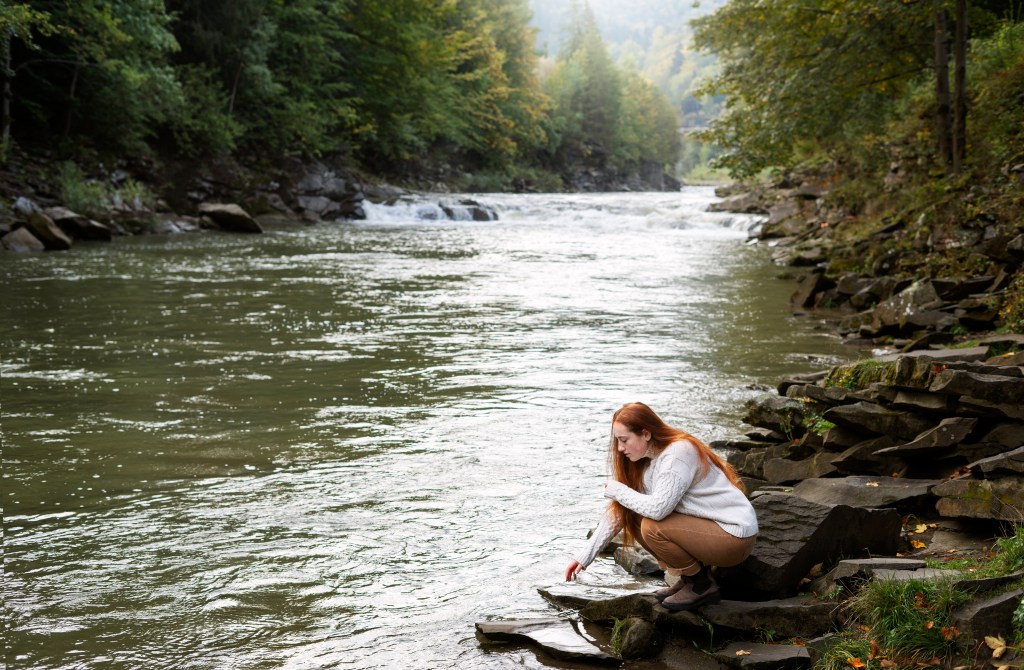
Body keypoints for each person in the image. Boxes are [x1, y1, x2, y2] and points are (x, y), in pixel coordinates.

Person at [564, 402, 758, 611]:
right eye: (618, 441)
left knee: (651, 525)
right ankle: (689, 579)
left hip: (734, 536)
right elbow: (620, 513)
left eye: (624, 440)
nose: (620, 449)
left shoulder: (677, 453)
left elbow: (658, 509)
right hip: (712, 531)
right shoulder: (648, 462)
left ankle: (701, 584)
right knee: (634, 517)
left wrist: (618, 490)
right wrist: (584, 557)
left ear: (645, 434)